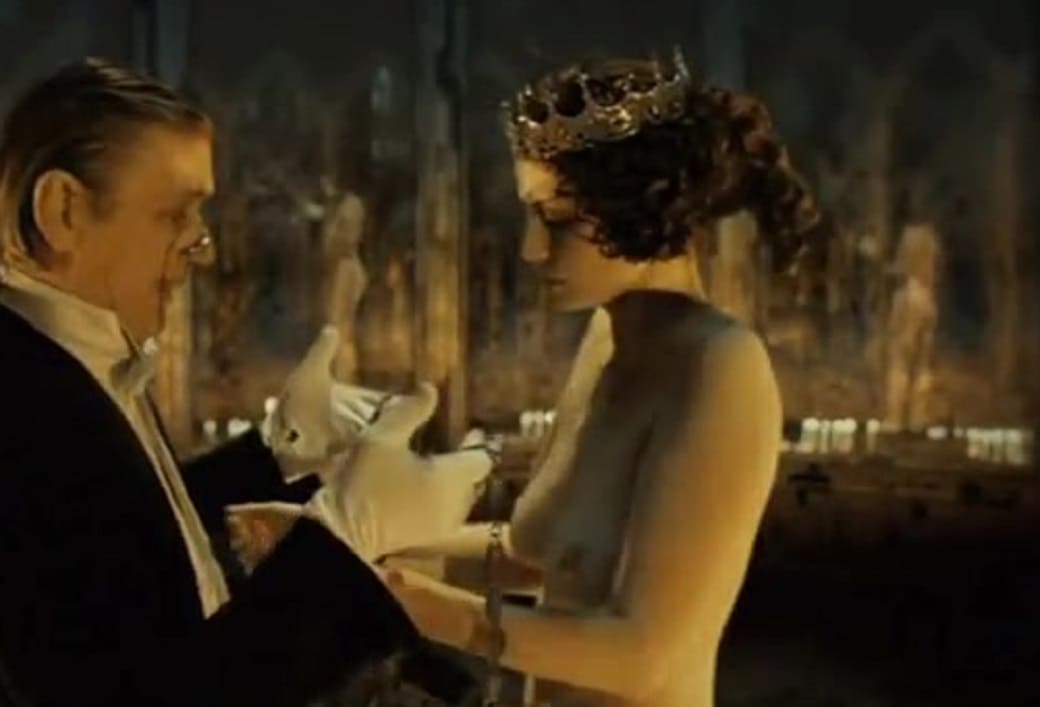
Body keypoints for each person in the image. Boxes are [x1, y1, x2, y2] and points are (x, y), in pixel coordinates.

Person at [0, 58, 490, 707]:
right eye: (175, 213)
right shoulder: (18, 402)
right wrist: (345, 533)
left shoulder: (73, 354)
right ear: (63, 211)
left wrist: (276, 450)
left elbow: (122, 551)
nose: (202, 244)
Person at [380, 52, 820, 706]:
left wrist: (421, 608)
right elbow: (546, 559)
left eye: (557, 219)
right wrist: (354, 556)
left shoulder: (719, 368)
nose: (531, 249)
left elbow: (642, 654)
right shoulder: (605, 343)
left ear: (640, 205)